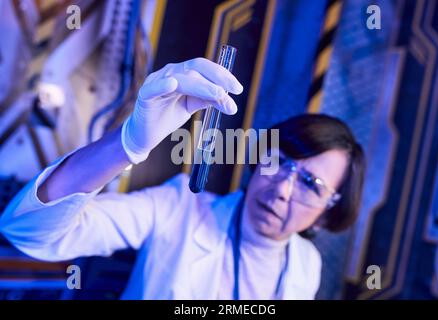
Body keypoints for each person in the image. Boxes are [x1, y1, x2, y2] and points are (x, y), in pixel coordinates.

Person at [0, 58, 365, 300]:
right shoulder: (177, 209)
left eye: (310, 184)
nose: (283, 188)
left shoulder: (306, 266)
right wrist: (126, 145)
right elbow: (28, 231)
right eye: (279, 161)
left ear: (330, 210)